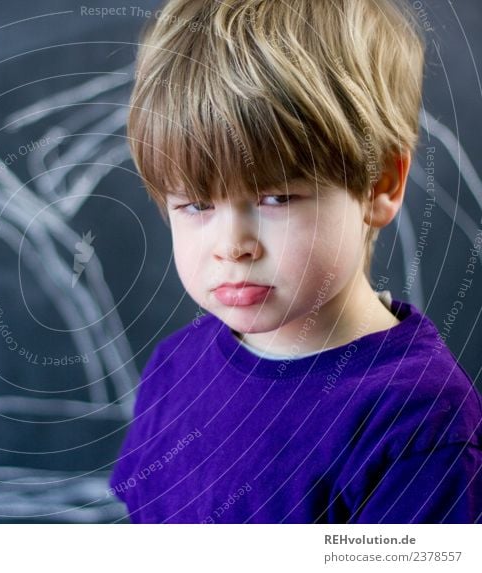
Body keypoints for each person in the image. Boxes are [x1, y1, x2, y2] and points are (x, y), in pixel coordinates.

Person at [110, 0, 482, 523]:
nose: (232, 245)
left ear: (381, 184)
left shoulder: (417, 424)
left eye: (276, 199)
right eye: (196, 204)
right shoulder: (177, 367)